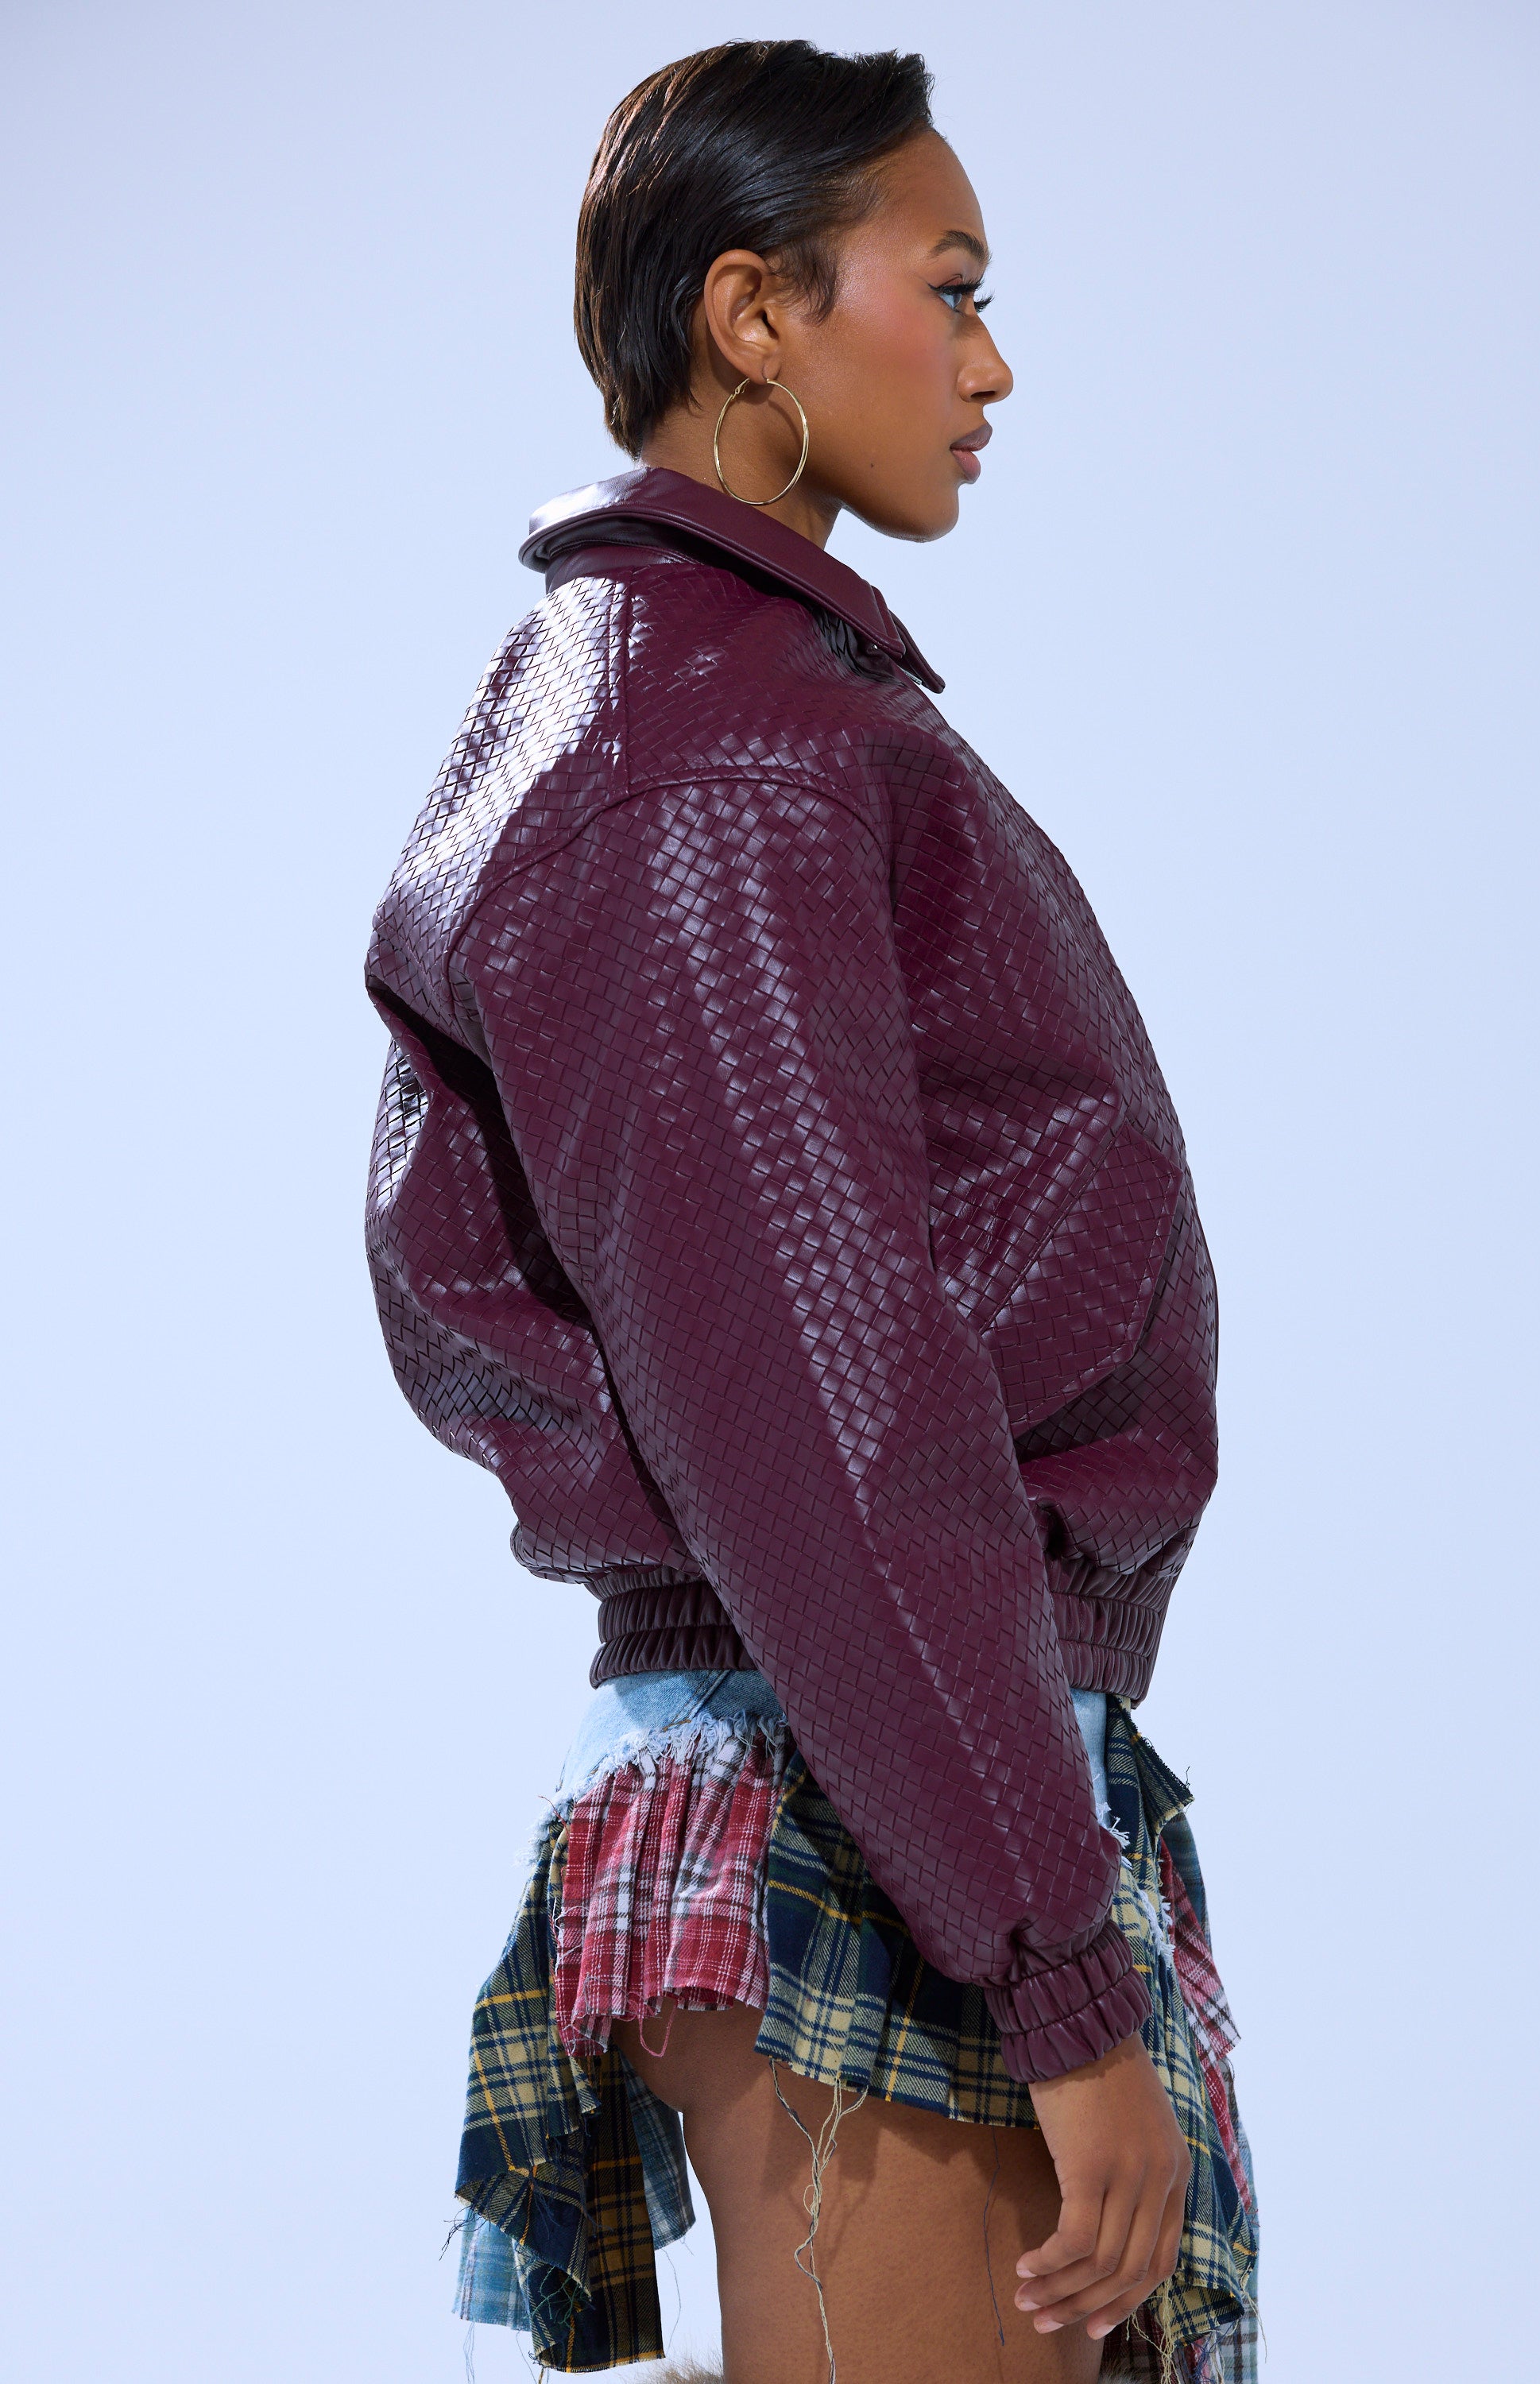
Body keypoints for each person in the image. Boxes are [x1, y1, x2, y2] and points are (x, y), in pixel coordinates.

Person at [365, 39, 1257, 2384]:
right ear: (752, 316)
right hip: (858, 1786)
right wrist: (1050, 1980)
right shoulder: (717, 746)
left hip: (886, 1760)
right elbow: (815, 1403)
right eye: (942, 288)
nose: (988, 362)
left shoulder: (716, 707)